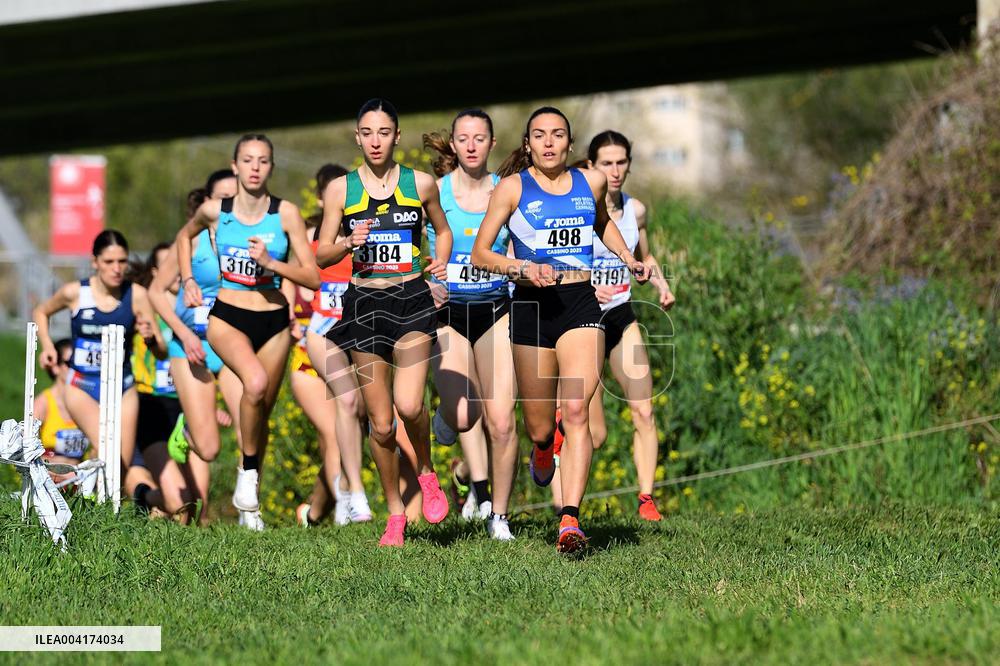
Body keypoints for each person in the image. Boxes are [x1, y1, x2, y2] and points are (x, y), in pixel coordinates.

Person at [470, 107, 648, 553]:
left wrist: (628, 258)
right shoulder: (512, 188)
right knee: (538, 428)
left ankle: (570, 519)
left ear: (570, 143)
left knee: (576, 409)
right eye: (539, 135)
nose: (548, 143)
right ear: (528, 144)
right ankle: (543, 447)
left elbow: (602, 224)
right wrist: (522, 268)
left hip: (579, 302)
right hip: (531, 306)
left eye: (557, 135)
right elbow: (480, 253)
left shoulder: (591, 182)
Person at [316, 98, 453, 547]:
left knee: (410, 406)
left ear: (396, 136)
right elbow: (321, 255)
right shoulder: (341, 190)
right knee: (380, 424)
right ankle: (395, 512)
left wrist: (441, 264)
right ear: (357, 138)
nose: (376, 141)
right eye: (367, 133)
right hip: (364, 304)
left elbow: (443, 230)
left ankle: (427, 472)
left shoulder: (421, 184)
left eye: (384, 132)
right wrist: (345, 242)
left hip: (410, 299)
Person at [176, 134, 319, 531]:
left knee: (260, 415)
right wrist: (188, 279)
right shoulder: (214, 211)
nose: (255, 167)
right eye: (248, 160)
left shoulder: (285, 214)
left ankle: (249, 499)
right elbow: (183, 237)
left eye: (263, 160)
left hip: (273, 320)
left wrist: (273, 263)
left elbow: (311, 275)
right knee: (254, 384)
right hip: (228, 316)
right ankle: (248, 475)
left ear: (271, 167)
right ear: (235, 166)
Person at [552, 130, 676, 521]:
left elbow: (644, 255)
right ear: (591, 166)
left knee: (644, 409)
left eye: (622, 162)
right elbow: (559, 261)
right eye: (607, 163)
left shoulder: (636, 210)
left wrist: (660, 284)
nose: (615, 170)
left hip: (621, 317)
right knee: (595, 433)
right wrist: (588, 287)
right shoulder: (577, 208)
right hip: (582, 321)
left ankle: (646, 500)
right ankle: (561, 498)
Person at [422, 109, 518, 540]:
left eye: (480, 138)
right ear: (454, 144)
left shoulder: (507, 190)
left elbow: (523, 245)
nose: (472, 146)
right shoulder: (434, 192)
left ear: (492, 144)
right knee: (464, 415)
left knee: (502, 422)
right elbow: (407, 246)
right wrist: (427, 280)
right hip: (448, 314)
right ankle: (445, 417)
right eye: (463, 138)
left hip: (496, 310)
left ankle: (500, 516)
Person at [33, 230, 166, 494]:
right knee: (109, 451)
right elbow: (41, 311)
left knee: (120, 466)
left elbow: (162, 351)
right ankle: (78, 494)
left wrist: (150, 338)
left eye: (122, 261)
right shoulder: (75, 292)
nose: (116, 269)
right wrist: (47, 345)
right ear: (95, 262)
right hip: (82, 385)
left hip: (123, 387)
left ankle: (89, 498)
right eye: (109, 262)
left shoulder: (137, 295)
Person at [148, 171, 243, 520]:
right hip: (191, 346)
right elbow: (156, 291)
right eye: (221, 197)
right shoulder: (190, 239)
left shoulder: (251, 239)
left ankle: (250, 511)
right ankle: (186, 431)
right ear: (207, 202)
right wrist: (184, 334)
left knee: (250, 429)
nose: (229, 204)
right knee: (209, 448)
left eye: (235, 196)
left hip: (231, 345)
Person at [290, 163, 371, 527]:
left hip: (353, 340)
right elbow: (292, 281)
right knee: (337, 426)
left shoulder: (364, 238)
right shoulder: (311, 244)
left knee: (350, 425)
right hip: (313, 348)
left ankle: (314, 511)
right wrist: (292, 312)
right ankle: (345, 505)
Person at [127, 243, 197, 521]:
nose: (177, 270)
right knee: (179, 502)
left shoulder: (194, 306)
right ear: (157, 271)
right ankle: (144, 498)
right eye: (170, 263)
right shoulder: (142, 310)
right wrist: (149, 337)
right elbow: (159, 350)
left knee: (195, 505)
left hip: (186, 406)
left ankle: (154, 508)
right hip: (151, 404)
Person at [34, 338, 89, 484]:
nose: (75, 370)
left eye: (79, 364)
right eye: (70, 364)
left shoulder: (88, 402)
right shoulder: (42, 404)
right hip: (49, 479)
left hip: (81, 478)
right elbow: (27, 453)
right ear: (55, 367)